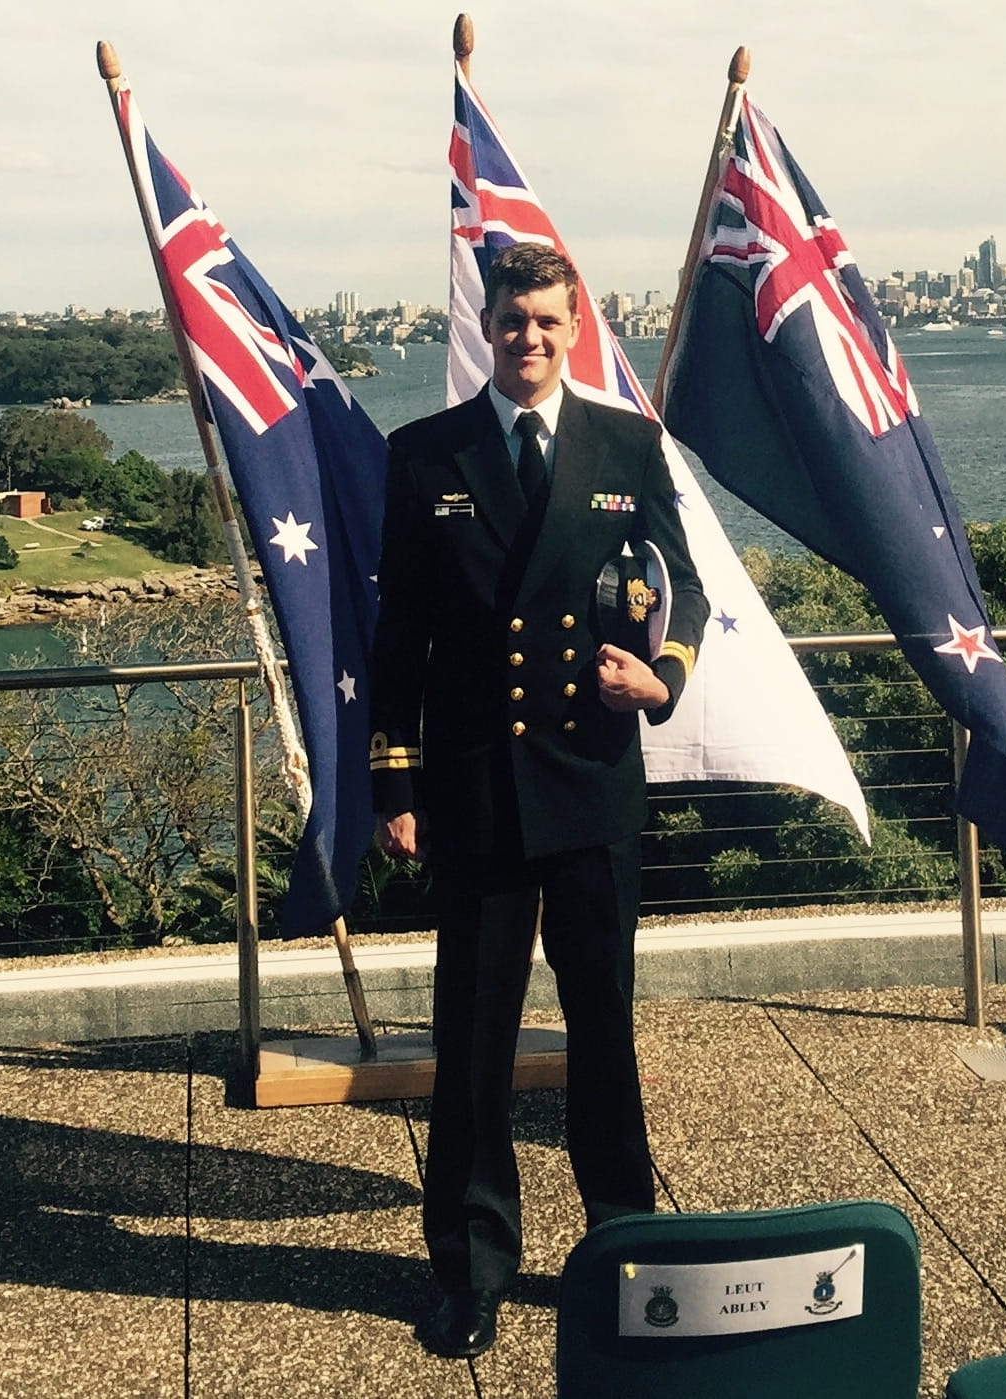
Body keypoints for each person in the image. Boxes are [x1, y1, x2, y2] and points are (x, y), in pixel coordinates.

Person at [369, 243, 709, 1358]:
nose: (533, 340)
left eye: (552, 323)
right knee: (474, 1042)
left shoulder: (625, 441)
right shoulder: (426, 455)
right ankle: (470, 1265)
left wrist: (665, 675)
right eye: (515, 321)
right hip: (474, 792)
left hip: (590, 781)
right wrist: (396, 779)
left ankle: (622, 1245)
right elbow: (399, 638)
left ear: (578, 327)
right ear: (488, 322)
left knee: (603, 1028)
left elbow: (685, 585)